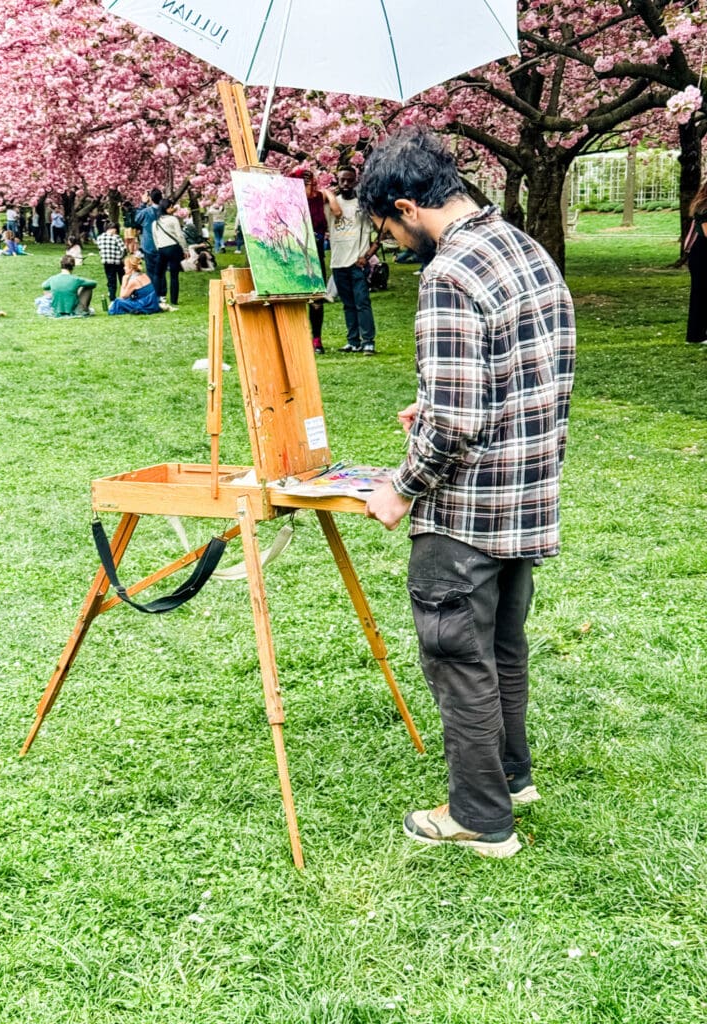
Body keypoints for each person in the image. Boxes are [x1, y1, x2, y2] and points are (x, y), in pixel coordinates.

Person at [358, 127, 576, 858]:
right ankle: (511, 776)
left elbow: (455, 422)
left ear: (405, 206)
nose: (391, 243)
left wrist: (399, 487)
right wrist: (443, 408)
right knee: (502, 647)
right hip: (527, 491)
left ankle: (480, 816)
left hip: (468, 511)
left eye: (388, 229)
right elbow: (539, 368)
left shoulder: (448, 272)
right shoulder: (523, 246)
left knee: (457, 654)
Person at [321, 166, 379, 355]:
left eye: (349, 180)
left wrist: (367, 256)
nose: (345, 183)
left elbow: (382, 233)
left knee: (362, 302)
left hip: (357, 263)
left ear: (355, 180)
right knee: (348, 304)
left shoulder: (363, 205)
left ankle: (368, 341)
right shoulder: (331, 204)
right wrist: (328, 194)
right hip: (338, 263)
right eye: (342, 180)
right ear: (337, 181)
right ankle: (353, 341)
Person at [290, 167, 327, 353]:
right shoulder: (290, 202)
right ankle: (297, 337)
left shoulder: (319, 198)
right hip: (296, 252)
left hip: (316, 253)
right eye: (307, 184)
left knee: (316, 299)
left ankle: (316, 339)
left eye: (313, 183)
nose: (311, 188)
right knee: (295, 297)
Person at [152, 197, 187, 308]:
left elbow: (155, 238)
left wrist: (159, 248)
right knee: (174, 275)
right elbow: (180, 235)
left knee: (158, 274)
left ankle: (157, 296)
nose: (173, 209)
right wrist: (185, 249)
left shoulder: (155, 223)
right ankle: (174, 299)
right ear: (167, 208)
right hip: (173, 247)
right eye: (171, 207)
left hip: (162, 248)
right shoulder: (173, 220)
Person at [686, 181, 707, 344]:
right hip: (703, 254)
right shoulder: (704, 209)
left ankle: (697, 334)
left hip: (700, 252)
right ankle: (696, 335)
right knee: (700, 294)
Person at [135, 188, 162, 295]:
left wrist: (142, 203)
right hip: (162, 244)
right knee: (161, 271)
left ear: (150, 198)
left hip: (149, 245)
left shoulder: (146, 212)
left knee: (151, 271)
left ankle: (153, 293)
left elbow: (137, 219)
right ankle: (161, 293)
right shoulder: (163, 211)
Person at [95, 221, 126, 302]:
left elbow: (99, 249)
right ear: (113, 229)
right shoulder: (116, 237)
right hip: (118, 262)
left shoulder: (99, 237)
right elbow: (123, 249)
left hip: (106, 262)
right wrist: (122, 257)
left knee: (111, 280)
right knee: (122, 279)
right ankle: (125, 295)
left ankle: (112, 297)